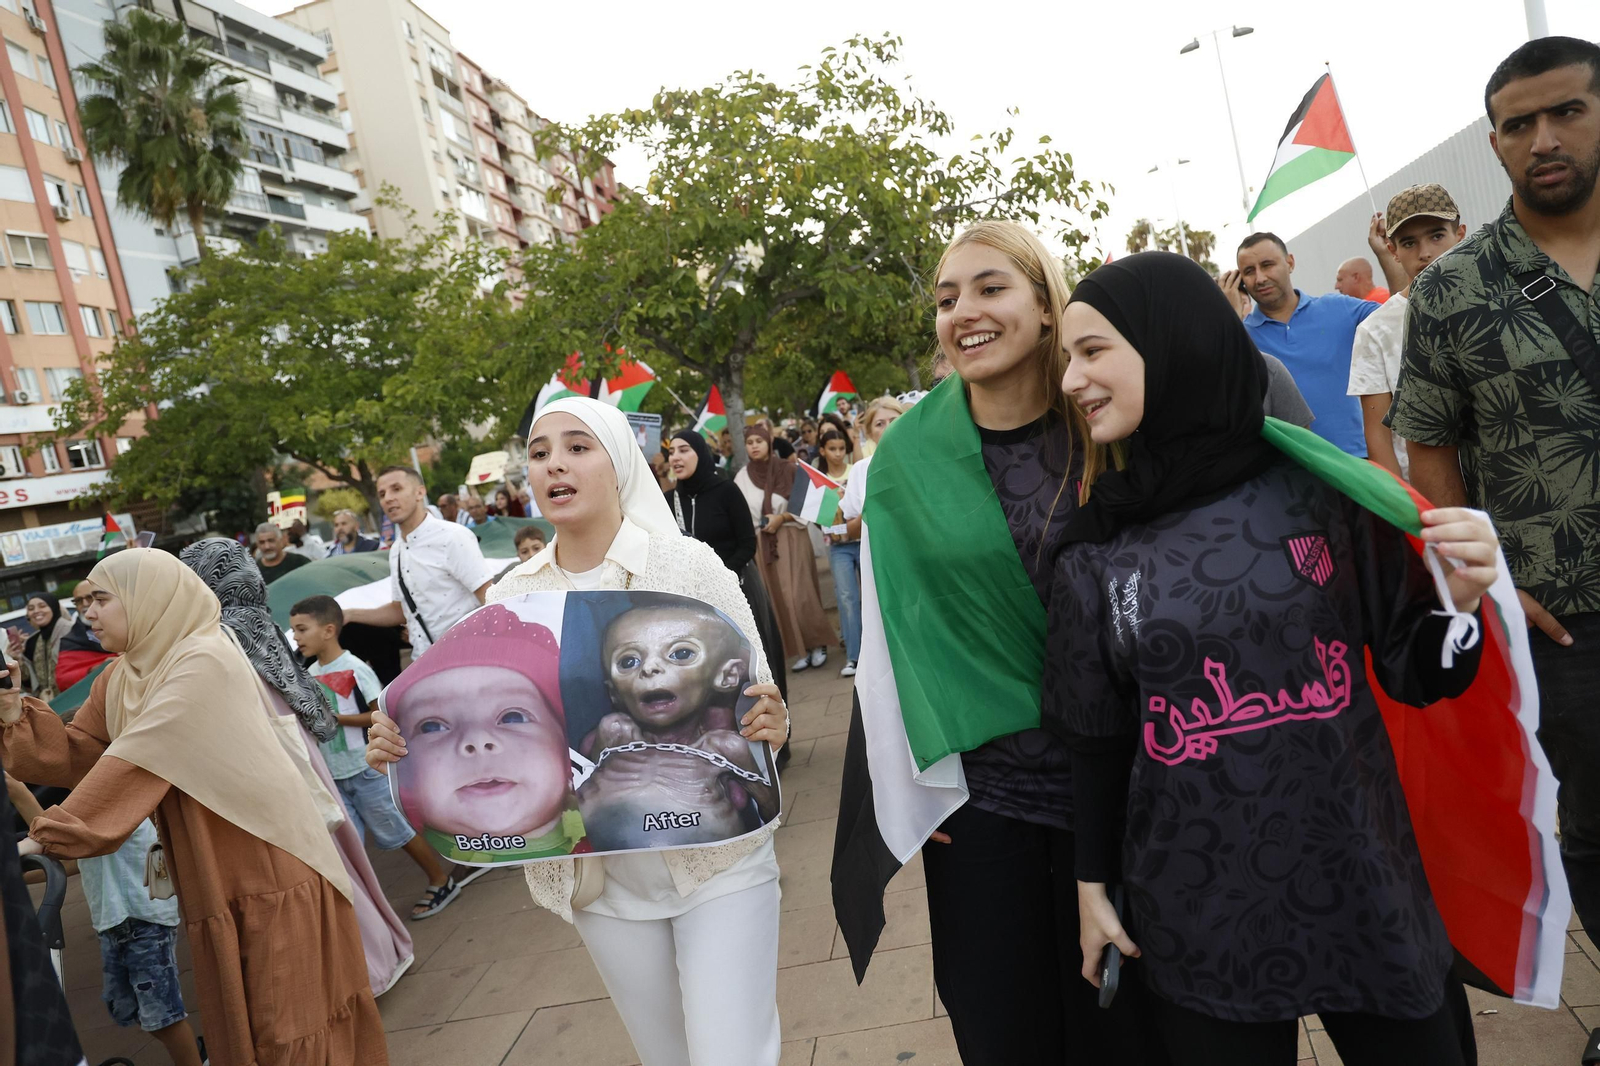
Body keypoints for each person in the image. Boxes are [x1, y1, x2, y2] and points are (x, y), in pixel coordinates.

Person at [1054, 250, 1493, 1064]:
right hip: (1199, 906)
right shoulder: (1096, 545)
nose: (1071, 380)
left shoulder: (1320, 493)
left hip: (1361, 873)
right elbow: (1097, 738)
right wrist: (1091, 887)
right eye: (1066, 358)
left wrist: (1459, 605)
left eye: (1092, 351)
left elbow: (1414, 668)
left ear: (1172, 343)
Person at [366, 397, 790, 1066]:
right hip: (598, 885)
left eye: (577, 447)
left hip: (720, 862)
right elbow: (462, 715)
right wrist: (400, 746)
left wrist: (773, 720)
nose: (554, 464)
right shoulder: (511, 598)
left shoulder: (690, 567)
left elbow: (758, 696)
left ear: (618, 463)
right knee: (665, 1056)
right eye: (539, 453)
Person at [833, 220, 1156, 1065]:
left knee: (1124, 1025)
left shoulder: (1110, 425)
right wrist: (915, 781)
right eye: (947, 300)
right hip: (985, 798)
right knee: (1000, 1023)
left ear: (1047, 306)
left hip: (1124, 782)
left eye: (989, 288)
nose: (963, 312)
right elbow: (892, 634)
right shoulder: (907, 459)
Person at [1, 548, 388, 1065]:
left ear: (148, 599)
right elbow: (79, 753)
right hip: (212, 868)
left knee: (288, 1022)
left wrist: (42, 837)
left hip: (267, 859)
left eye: (101, 600)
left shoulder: (204, 657)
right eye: (85, 603)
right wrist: (13, 712)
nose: (88, 613)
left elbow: (144, 750)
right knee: (251, 1021)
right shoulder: (122, 677)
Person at [1388, 36, 1600, 955]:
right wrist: (1499, 586)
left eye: (1567, 112)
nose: (1543, 138)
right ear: (1496, 143)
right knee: (1592, 821)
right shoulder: (1451, 290)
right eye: (1519, 125)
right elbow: (1427, 446)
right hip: (1564, 622)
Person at [177, 538, 419, 997]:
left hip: (277, 757)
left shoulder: (222, 636)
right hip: (300, 751)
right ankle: (377, 955)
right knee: (336, 854)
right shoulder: (254, 622)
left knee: (317, 861)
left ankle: (362, 966)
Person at [289, 594, 469, 916]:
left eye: (302, 629)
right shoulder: (308, 674)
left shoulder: (355, 668)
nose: (296, 638)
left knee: (398, 830)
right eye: (294, 631)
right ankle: (366, 909)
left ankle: (441, 880)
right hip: (334, 774)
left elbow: (378, 716)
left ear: (329, 630)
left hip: (365, 769)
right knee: (349, 844)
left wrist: (335, 718)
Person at [5, 773, 203, 1066]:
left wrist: (19, 792)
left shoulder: (112, 802)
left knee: (162, 1017)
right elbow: (69, 861)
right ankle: (196, 1053)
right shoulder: (83, 813)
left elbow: (60, 841)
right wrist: (12, 873)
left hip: (141, 921)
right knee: (136, 1010)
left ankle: (195, 1059)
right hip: (115, 923)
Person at [1219, 232, 1380, 457]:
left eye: (1267, 265)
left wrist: (1386, 255)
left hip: (1355, 461)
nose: (1260, 278)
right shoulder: (1240, 337)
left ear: (1290, 263)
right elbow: (1221, 390)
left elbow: (1402, 316)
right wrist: (1229, 316)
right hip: (1288, 469)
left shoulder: (1338, 308)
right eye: (1249, 271)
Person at [1347, 184, 1468, 480]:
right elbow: (1379, 437)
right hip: (1425, 489)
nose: (1425, 253)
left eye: (1437, 236)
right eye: (1409, 243)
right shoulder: (1374, 330)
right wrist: (1403, 504)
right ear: (1393, 251)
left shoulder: (1499, 302)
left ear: (1460, 234)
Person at [665, 428, 788, 709]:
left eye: (683, 450)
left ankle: (773, 728)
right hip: (694, 596)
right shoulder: (668, 501)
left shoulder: (726, 491)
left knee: (752, 660)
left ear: (700, 454)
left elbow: (747, 543)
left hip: (738, 586)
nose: (675, 457)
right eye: (671, 452)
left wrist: (721, 576)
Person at [344, 466, 494, 658]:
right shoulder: (397, 550)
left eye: (396, 489)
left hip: (469, 656)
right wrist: (349, 615)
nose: (388, 498)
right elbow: (400, 610)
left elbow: (490, 597)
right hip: (425, 662)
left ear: (420, 492)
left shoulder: (452, 537)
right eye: (382, 494)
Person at [734, 424, 833, 673]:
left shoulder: (788, 469)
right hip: (763, 544)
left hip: (791, 536)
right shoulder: (741, 478)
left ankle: (817, 643)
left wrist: (782, 517)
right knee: (780, 599)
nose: (754, 446)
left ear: (769, 443)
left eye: (759, 441)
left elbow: (807, 505)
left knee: (800, 595)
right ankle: (800, 650)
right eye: (750, 442)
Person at [834, 397, 906, 678]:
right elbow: (851, 524)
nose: (888, 428)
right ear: (869, 432)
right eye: (879, 423)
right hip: (879, 559)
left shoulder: (922, 457)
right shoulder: (862, 470)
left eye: (894, 420)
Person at [813, 429, 861, 676]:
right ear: (823, 451)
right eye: (832, 449)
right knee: (847, 599)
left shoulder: (856, 471)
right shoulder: (818, 481)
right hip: (838, 548)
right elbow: (820, 521)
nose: (838, 453)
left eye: (842, 448)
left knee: (875, 595)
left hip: (864, 541)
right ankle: (855, 656)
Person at [10, 593, 71, 701]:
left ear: (53, 607)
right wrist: (18, 659)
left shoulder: (70, 631)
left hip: (72, 696)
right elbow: (29, 681)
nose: (36, 611)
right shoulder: (34, 641)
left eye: (42, 606)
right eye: (31, 608)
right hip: (48, 702)